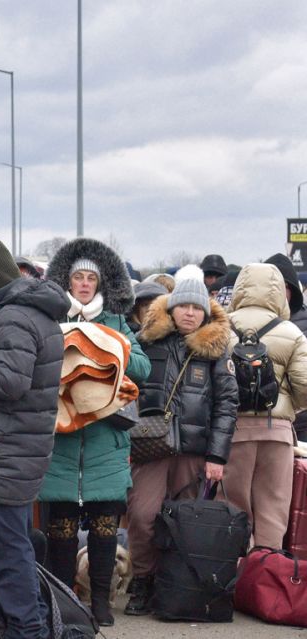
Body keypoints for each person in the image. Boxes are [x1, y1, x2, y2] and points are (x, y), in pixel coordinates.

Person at [0, 238, 70, 639]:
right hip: (24, 449)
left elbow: (11, 381)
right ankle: (34, 624)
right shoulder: (36, 312)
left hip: (6, 454)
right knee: (17, 544)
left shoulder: (12, 318)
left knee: (8, 555)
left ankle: (28, 630)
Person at [39, 239, 151, 626]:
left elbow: (141, 367)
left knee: (106, 525)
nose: (84, 284)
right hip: (64, 438)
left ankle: (101, 602)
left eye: (91, 278)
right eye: (77, 277)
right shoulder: (51, 320)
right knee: (61, 527)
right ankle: (65, 602)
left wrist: (104, 348)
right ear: (66, 282)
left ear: (101, 283)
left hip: (106, 439)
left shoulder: (118, 322)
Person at [124, 276, 237, 615]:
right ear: (172, 308)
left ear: (206, 312)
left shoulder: (216, 349)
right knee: (142, 515)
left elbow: (227, 404)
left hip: (194, 450)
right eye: (184, 306)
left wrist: (217, 456)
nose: (189, 313)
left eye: (196, 308)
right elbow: (129, 389)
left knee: (186, 524)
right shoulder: (147, 341)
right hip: (151, 446)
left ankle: (174, 585)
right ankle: (142, 579)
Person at [223, 264, 307, 548]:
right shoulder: (292, 332)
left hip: (231, 433)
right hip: (277, 435)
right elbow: (305, 389)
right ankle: (265, 580)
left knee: (231, 510)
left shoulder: (220, 327)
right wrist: (285, 412)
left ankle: (232, 579)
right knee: (273, 511)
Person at [263, 253, 307, 441]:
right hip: (260, 419)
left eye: (286, 286)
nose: (281, 292)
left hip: (301, 419)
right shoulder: (247, 321)